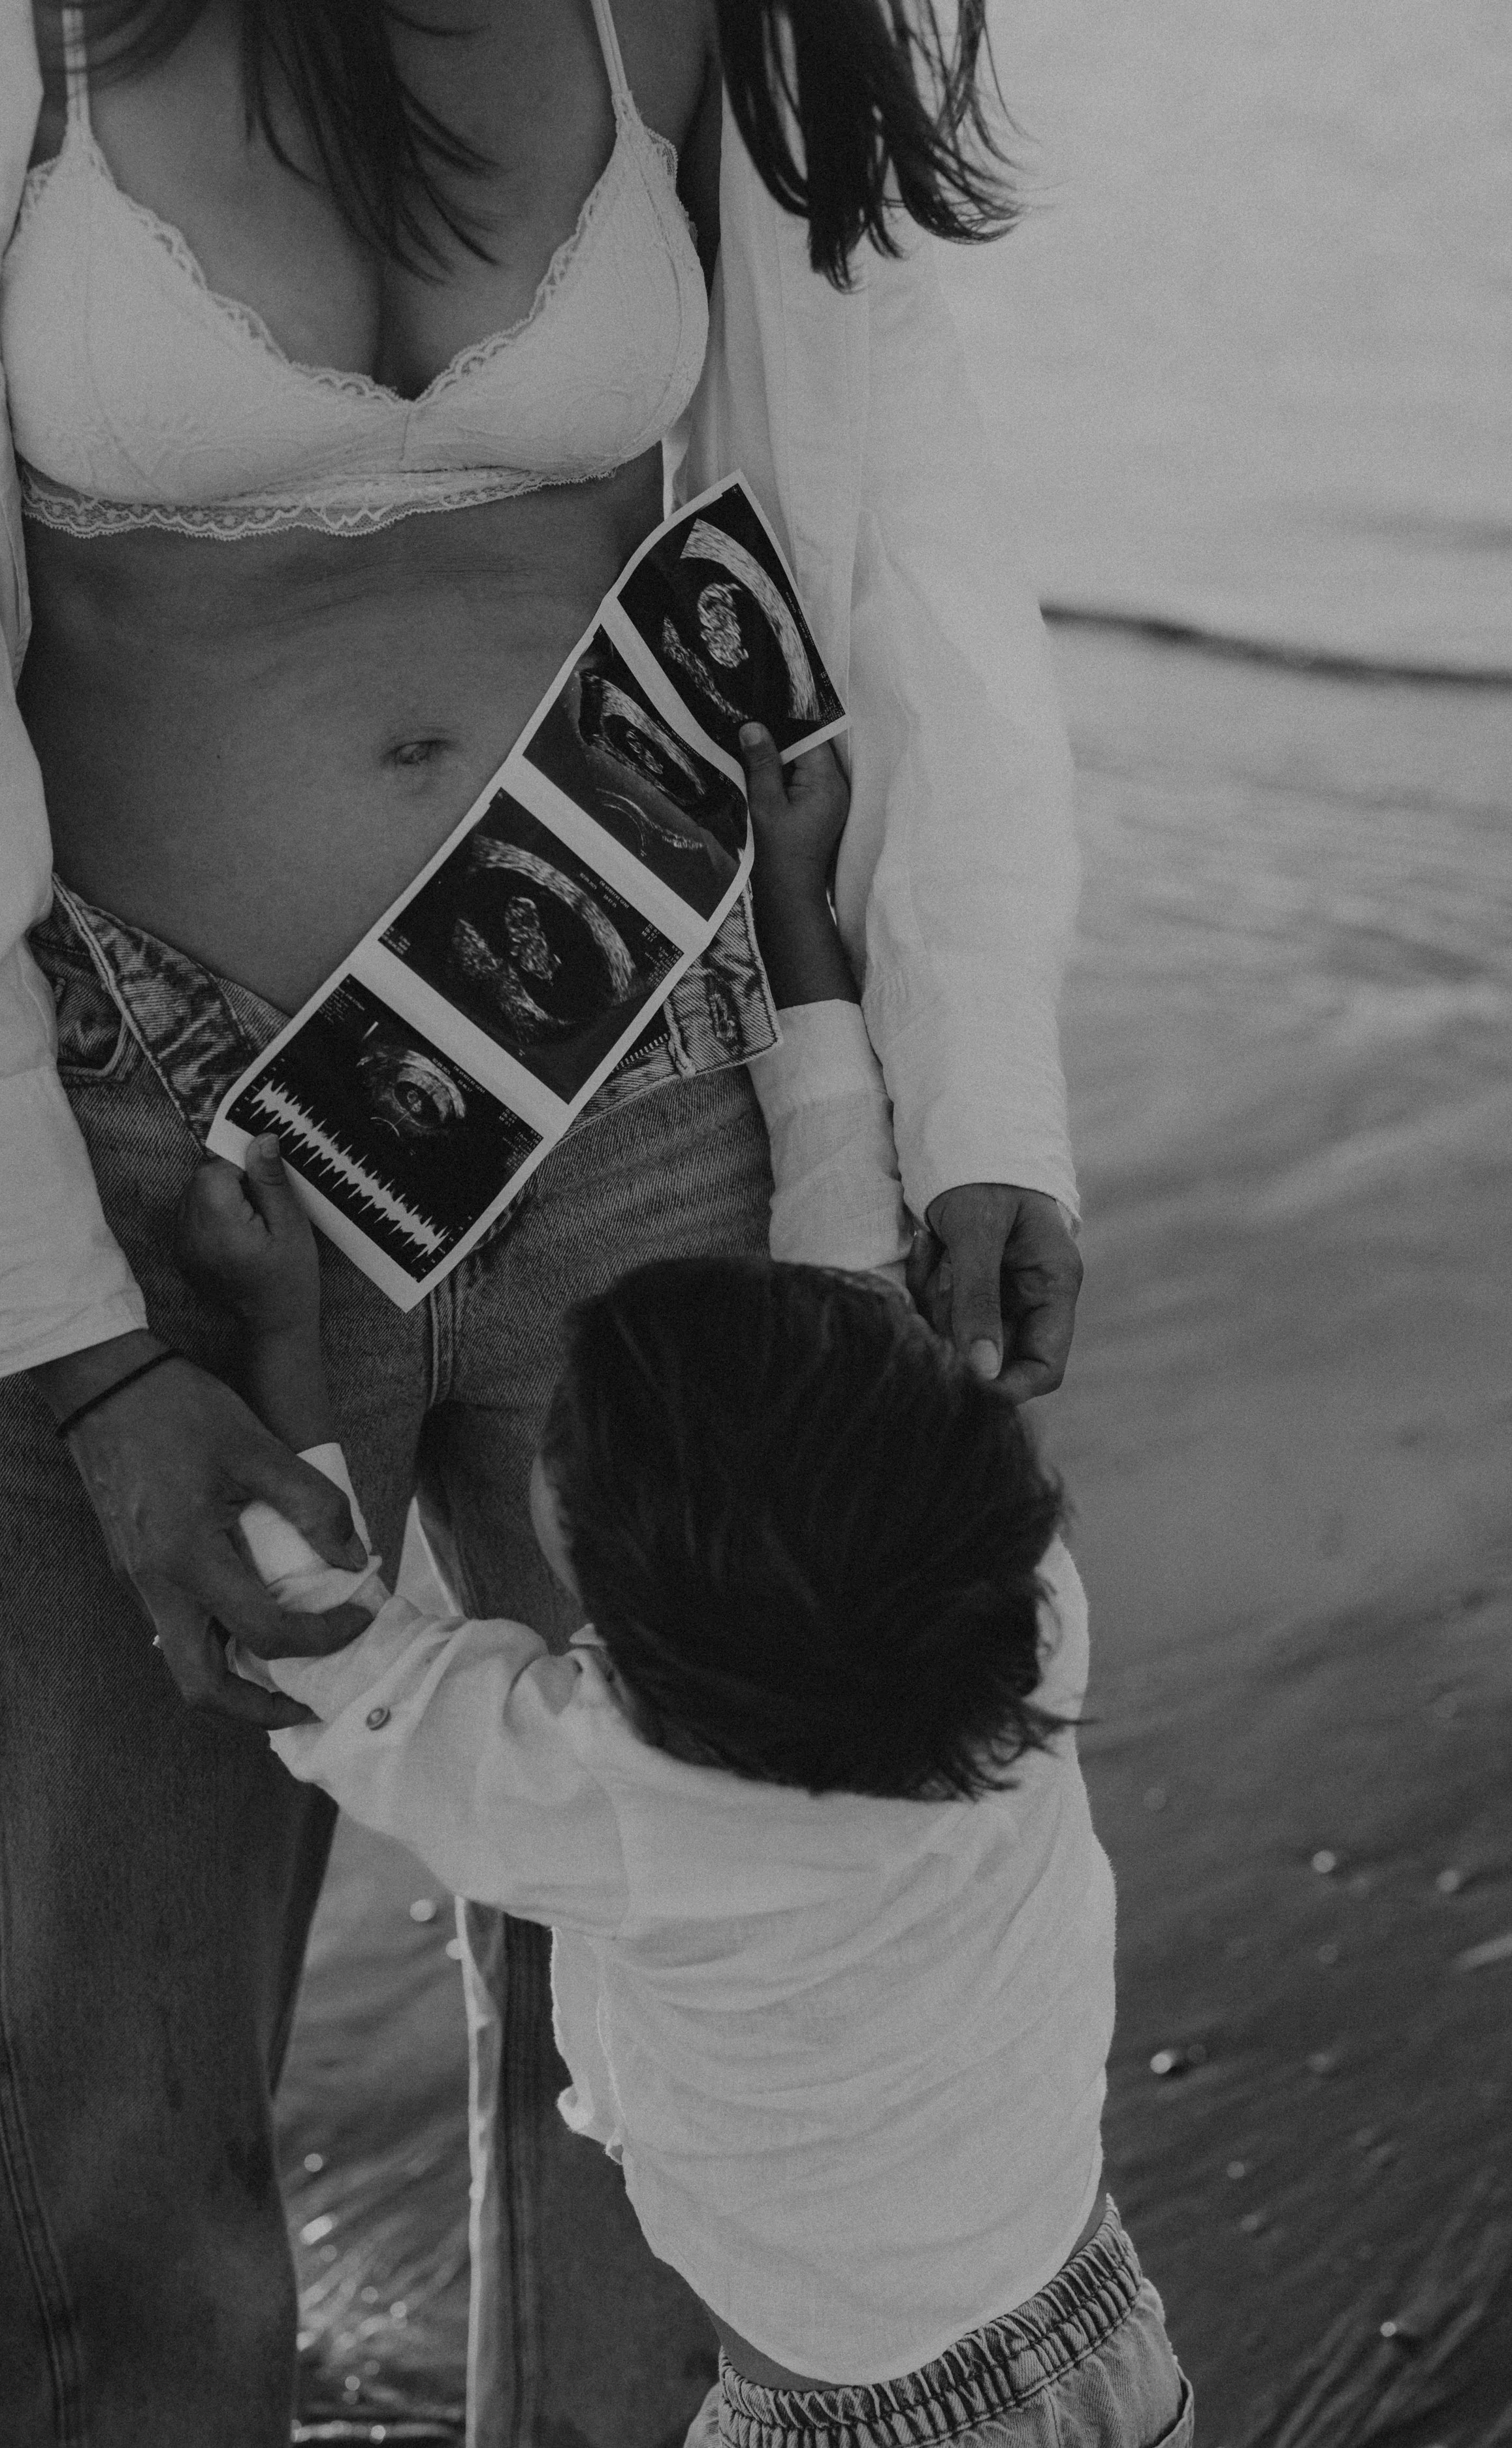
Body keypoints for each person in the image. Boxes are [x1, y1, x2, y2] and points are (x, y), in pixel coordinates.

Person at [0, 3, 1084, 2440]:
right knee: (93, 2170)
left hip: (649, 1089)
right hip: (161, 1169)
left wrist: (977, 1091)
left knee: (669, 2086)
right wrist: (68, 1347)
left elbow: (900, 520)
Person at [173, 731, 1191, 2448]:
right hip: (1100, 2333)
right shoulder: (1011, 1615)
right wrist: (792, 906)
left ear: (618, 1624)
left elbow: (331, 1648)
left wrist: (276, 1322)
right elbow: (845, 1259)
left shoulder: (610, 1786)